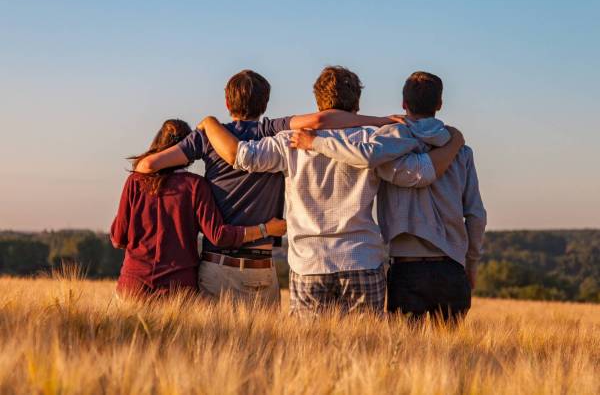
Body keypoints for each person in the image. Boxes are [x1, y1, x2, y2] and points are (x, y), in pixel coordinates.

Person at [198, 66, 465, 316]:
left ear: (318, 102)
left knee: (310, 354)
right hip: (362, 259)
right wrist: (454, 143)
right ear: (357, 103)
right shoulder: (374, 140)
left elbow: (242, 156)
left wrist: (210, 123)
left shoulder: (289, 141)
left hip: (309, 263)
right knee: (366, 353)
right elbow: (418, 174)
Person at [134, 69, 404, 306]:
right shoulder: (273, 130)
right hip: (266, 266)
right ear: (265, 103)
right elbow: (321, 121)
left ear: (227, 102)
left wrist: (194, 176)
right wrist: (380, 121)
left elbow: (147, 167)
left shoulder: (208, 137)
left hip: (219, 264)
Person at [291, 71, 486, 322]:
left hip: (406, 268)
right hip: (451, 267)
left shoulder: (386, 144)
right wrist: (471, 264)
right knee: (450, 357)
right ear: (439, 104)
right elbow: (476, 215)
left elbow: (364, 156)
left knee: (403, 355)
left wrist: (316, 142)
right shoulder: (461, 151)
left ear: (404, 104)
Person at [110, 119, 287, 300]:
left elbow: (118, 238)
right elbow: (218, 235)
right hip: (178, 289)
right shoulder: (195, 185)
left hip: (132, 286)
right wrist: (265, 229)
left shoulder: (135, 181)